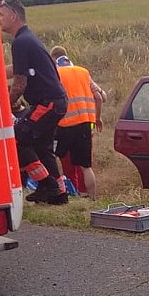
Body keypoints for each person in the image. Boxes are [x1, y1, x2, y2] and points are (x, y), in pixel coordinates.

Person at [0, 0, 68, 205]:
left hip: (47, 103)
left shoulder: (20, 42)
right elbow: (17, 70)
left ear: (13, 16)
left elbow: (19, 83)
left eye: (1, 15)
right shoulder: (28, 39)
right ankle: (59, 194)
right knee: (43, 148)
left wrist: (4, 106)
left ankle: (47, 184)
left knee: (16, 138)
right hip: (56, 102)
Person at [49, 46, 104, 198]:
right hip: (85, 124)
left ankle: (65, 194)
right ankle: (91, 198)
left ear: (53, 59)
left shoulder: (55, 73)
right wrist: (97, 118)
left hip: (64, 125)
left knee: (57, 160)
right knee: (86, 167)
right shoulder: (83, 72)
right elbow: (99, 97)